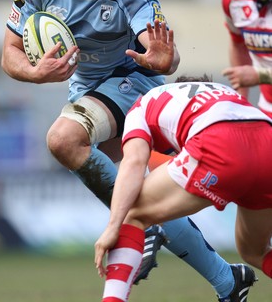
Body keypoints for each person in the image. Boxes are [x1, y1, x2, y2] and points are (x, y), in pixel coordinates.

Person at [2, 0, 249, 299]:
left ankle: (139, 226)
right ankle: (226, 279)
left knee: (63, 140)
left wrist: (164, 60)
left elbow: (163, 54)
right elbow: (10, 53)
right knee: (144, 194)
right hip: (85, 86)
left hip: (132, 79)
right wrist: (35, 73)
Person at [94, 75, 272, 302]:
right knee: (254, 251)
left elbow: (133, 163)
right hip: (267, 141)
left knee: (130, 211)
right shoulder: (221, 91)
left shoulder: (141, 105)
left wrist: (112, 226)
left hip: (220, 142)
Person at [222, 0, 272, 118]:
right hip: (267, 107)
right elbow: (237, 43)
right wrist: (241, 100)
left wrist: (260, 76)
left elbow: (256, 74)